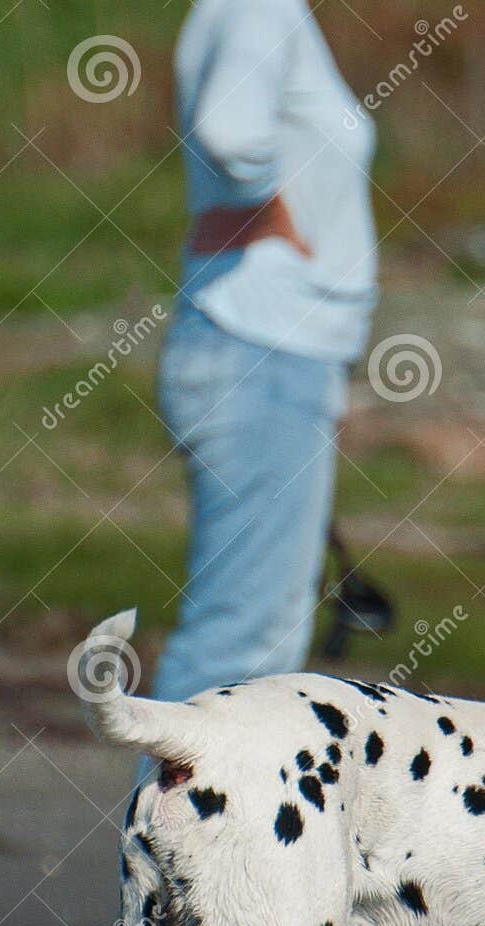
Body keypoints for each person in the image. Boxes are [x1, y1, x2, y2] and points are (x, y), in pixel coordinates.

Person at [153, 0, 378, 704]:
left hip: (268, 355)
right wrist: (267, 210)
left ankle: (184, 814)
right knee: (241, 651)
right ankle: (163, 816)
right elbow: (228, 132)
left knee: (258, 645)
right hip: (261, 352)